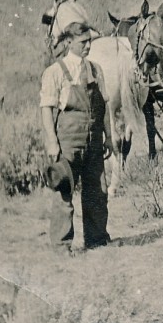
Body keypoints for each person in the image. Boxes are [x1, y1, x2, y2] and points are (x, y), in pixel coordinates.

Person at [39, 21, 112, 253]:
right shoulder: (55, 72)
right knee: (64, 191)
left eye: (90, 41)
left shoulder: (96, 70)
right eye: (83, 42)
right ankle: (61, 246)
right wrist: (52, 142)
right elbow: (46, 109)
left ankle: (97, 239)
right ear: (69, 42)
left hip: (94, 139)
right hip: (68, 141)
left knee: (97, 191)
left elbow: (105, 106)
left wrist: (109, 137)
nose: (88, 45)